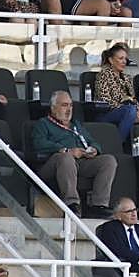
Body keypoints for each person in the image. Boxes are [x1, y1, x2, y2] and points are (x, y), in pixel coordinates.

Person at [31, 91, 116, 219]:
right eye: (64, 105)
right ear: (53, 108)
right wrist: (66, 150)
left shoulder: (76, 125)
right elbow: (39, 143)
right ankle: (72, 204)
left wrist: (94, 149)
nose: (69, 109)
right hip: (53, 164)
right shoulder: (43, 123)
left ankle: (99, 206)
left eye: (71, 105)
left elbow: (92, 141)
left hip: (81, 162)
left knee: (109, 160)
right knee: (66, 158)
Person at [94, 43, 139, 145]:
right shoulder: (103, 75)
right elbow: (105, 100)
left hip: (129, 111)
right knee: (130, 110)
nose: (124, 62)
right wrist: (129, 109)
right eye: (120, 58)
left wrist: (138, 111)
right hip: (107, 113)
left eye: (125, 59)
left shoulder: (127, 78)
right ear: (111, 60)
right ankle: (118, 144)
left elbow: (133, 99)